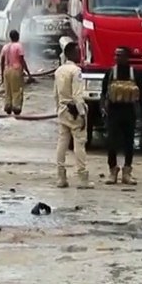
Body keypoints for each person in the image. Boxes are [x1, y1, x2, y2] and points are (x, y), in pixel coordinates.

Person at [102, 47, 142, 186]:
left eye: (120, 55)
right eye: (116, 55)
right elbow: (103, 93)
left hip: (129, 112)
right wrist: (103, 107)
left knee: (129, 143)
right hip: (114, 112)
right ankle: (112, 171)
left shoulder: (135, 74)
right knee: (112, 142)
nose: (117, 58)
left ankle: (127, 172)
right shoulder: (110, 73)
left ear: (127, 57)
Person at [54, 42, 91, 189]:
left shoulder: (59, 71)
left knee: (62, 143)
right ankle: (82, 178)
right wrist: (82, 114)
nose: (79, 54)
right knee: (79, 144)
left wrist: (58, 109)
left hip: (62, 109)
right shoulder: (76, 71)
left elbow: (55, 94)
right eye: (77, 52)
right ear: (72, 54)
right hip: (74, 111)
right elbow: (77, 96)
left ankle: (61, 177)